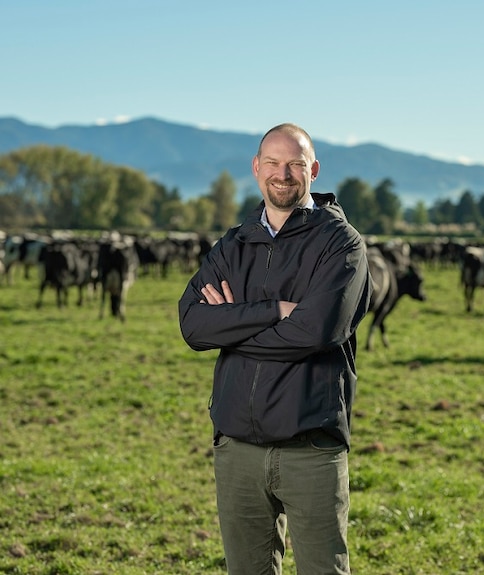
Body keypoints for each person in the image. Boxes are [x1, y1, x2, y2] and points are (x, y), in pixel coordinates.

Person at [178, 122, 372, 575]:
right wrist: (274, 310)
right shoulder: (235, 243)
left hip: (310, 448)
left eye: (295, 164)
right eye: (272, 162)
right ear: (255, 168)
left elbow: (315, 332)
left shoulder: (341, 244)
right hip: (237, 449)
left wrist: (233, 325)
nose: (282, 174)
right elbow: (192, 324)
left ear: (314, 170)